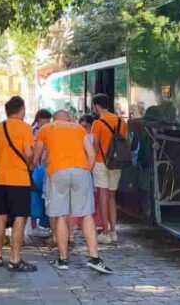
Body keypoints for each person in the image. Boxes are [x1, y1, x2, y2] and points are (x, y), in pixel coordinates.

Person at [33, 110, 112, 274]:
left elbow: (37, 157)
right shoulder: (78, 128)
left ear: (54, 119)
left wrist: (37, 165)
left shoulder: (46, 129)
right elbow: (91, 153)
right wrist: (86, 171)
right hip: (81, 171)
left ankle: (62, 259)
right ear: (68, 118)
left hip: (57, 171)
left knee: (61, 215)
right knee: (86, 214)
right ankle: (94, 257)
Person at [0, 96, 37, 272]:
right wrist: (29, 162)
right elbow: (28, 152)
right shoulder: (25, 128)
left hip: (1, 179)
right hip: (19, 180)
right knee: (20, 218)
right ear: (21, 110)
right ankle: (15, 259)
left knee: (0, 217)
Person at [91, 93, 128, 244]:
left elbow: (94, 146)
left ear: (96, 106)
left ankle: (105, 232)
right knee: (112, 197)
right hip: (117, 162)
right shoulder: (121, 121)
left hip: (101, 162)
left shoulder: (98, 123)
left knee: (103, 197)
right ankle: (113, 231)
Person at [29, 109, 53, 238]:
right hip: (38, 167)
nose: (48, 122)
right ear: (39, 119)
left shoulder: (36, 130)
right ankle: (38, 224)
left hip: (39, 167)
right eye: (47, 120)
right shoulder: (37, 131)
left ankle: (40, 224)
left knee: (40, 196)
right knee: (39, 196)